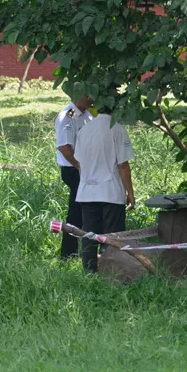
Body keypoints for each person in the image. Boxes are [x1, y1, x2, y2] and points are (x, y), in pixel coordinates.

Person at [74, 104, 135, 273]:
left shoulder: (84, 131)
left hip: (87, 192)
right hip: (111, 192)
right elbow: (123, 165)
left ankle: (89, 272)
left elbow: (79, 163)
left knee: (89, 235)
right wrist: (130, 192)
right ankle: (113, 271)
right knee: (113, 236)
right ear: (114, 108)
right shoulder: (117, 129)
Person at [54, 94, 93, 260]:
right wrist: (79, 166)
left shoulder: (89, 115)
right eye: (89, 95)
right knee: (76, 211)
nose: (93, 98)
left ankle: (86, 249)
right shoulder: (67, 116)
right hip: (74, 170)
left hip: (86, 169)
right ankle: (68, 253)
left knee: (87, 209)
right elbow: (64, 146)